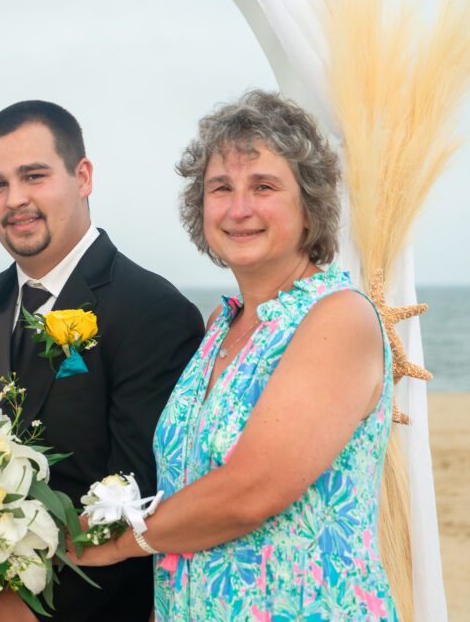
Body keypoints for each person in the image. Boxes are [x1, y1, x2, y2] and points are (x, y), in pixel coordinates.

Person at [69, 90, 399, 620]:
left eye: (263, 186)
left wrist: (121, 540)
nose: (239, 208)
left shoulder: (339, 317)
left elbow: (251, 490)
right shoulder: (221, 325)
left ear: (310, 205)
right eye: (221, 188)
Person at [0, 100, 204, 621]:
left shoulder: (153, 311)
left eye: (34, 176)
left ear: (82, 176)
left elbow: (140, 499)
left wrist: (23, 612)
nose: (15, 199)